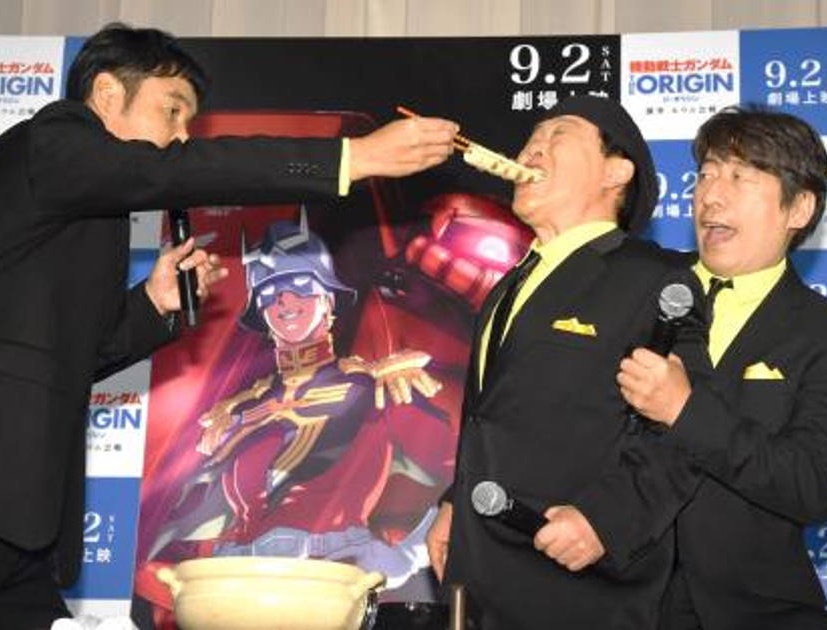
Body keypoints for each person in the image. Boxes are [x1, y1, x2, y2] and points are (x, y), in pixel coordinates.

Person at [0, 22, 457, 629]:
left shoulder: (86, 202)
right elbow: (174, 172)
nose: (180, 137)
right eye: (172, 110)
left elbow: (68, 356)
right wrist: (354, 158)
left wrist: (152, 304)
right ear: (107, 93)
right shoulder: (51, 142)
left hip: (25, 522)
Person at [425, 95, 707, 629]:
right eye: (532, 136)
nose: (532, 148)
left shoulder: (655, 278)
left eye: (559, 133)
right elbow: (495, 414)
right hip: (484, 575)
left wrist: (606, 521)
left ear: (616, 171)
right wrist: (454, 502)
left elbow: (687, 429)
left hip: (579, 584)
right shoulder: (508, 285)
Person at [618, 106, 827, 629]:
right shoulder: (636, 293)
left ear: (799, 207)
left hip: (759, 614)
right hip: (620, 606)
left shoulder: (817, 328)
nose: (711, 195)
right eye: (706, 175)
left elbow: (812, 483)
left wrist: (686, 411)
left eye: (739, 177)